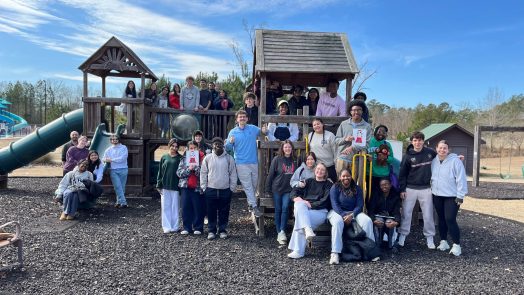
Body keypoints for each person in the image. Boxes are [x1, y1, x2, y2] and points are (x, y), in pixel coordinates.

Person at [287, 163, 342, 264]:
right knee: (299, 205)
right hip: (305, 210)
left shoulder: (328, 185)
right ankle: (307, 230)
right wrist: (296, 198)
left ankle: (298, 251)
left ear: (325, 173)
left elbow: (325, 201)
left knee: (300, 216)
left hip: (320, 212)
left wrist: (309, 204)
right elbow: (294, 192)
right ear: (315, 170)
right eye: (318, 169)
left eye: (322, 170)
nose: (319, 171)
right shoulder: (308, 182)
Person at [398, 131, 437, 249]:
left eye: (420, 140)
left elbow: (442, 155)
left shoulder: (430, 153)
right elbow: (402, 174)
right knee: (406, 213)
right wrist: (402, 189)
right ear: (412, 142)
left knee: (428, 214)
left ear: (423, 141)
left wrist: (455, 157)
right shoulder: (407, 156)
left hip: (426, 188)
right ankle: (403, 235)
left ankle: (430, 238)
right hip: (410, 188)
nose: (417, 142)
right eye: (415, 140)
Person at [225, 110, 267, 217]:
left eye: (244, 117)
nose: (242, 118)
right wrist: (230, 142)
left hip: (253, 161)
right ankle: (253, 206)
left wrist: (264, 130)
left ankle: (249, 204)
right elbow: (227, 148)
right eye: (240, 117)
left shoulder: (252, 128)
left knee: (254, 184)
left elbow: (262, 132)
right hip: (241, 163)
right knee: (248, 186)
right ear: (237, 119)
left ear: (247, 119)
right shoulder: (233, 132)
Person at [330, 168, 375, 264]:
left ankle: (370, 251)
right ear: (340, 177)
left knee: (367, 221)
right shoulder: (335, 187)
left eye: (348, 176)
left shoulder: (357, 188)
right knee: (337, 222)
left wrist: (352, 214)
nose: (346, 178)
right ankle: (335, 253)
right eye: (343, 176)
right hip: (337, 212)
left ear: (351, 177)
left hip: (353, 212)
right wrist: (343, 215)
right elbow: (335, 204)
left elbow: (360, 204)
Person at [431, 140, 468, 256]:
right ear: (436, 148)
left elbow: (461, 178)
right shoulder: (433, 161)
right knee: (441, 218)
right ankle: (443, 241)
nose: (442, 150)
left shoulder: (455, 161)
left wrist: (460, 196)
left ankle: (456, 245)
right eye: (440, 148)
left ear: (448, 150)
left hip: (451, 196)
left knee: (450, 219)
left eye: (445, 148)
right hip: (437, 195)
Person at [200, 137, 237, 240]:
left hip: (225, 190)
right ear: (212, 146)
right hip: (210, 189)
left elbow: (233, 174)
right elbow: (203, 173)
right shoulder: (207, 158)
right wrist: (204, 187)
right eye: (215, 144)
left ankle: (222, 230)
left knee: (224, 211)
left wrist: (232, 188)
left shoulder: (229, 158)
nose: (217, 146)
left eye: (219, 144)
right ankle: (211, 231)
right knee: (210, 211)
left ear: (223, 145)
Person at [265, 140, 296, 244]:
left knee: (285, 207)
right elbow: (270, 175)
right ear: (282, 149)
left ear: (292, 149)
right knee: (278, 209)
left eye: (289, 147)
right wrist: (267, 189)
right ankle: (279, 232)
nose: (287, 149)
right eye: (285, 147)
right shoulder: (277, 159)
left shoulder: (294, 160)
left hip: (288, 189)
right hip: (277, 188)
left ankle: (282, 230)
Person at [334, 100, 372, 175]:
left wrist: (352, 147)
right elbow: (336, 141)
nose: (356, 112)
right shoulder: (344, 124)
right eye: (354, 110)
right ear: (350, 112)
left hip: (357, 160)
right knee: (340, 182)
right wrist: (345, 139)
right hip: (342, 159)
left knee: (353, 183)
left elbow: (367, 144)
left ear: (362, 111)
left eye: (359, 110)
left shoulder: (366, 126)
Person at [177, 140, 205, 235]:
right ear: (187, 149)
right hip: (185, 186)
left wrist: (195, 167)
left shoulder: (202, 159)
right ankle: (187, 227)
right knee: (185, 207)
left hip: (197, 187)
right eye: (191, 148)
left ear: (198, 149)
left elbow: (203, 173)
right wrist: (189, 169)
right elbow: (179, 173)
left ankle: (198, 227)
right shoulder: (184, 159)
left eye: (195, 148)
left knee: (198, 207)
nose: (193, 150)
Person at [156, 139, 183, 234]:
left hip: (176, 186)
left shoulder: (180, 158)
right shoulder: (164, 157)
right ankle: (166, 227)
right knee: (165, 206)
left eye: (176, 146)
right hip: (165, 185)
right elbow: (160, 171)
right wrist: (159, 184)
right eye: (173, 146)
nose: (174, 148)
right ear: (169, 145)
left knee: (175, 207)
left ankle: (175, 227)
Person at [367, 179, 401, 251]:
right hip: (378, 216)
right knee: (379, 222)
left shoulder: (395, 195)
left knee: (390, 223)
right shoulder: (376, 194)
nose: (384, 186)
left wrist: (396, 222)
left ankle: (392, 245)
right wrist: (374, 220)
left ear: (390, 185)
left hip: (390, 217)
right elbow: (371, 210)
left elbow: (397, 211)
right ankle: (377, 244)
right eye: (382, 185)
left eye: (386, 184)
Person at [308, 118, 337, 182]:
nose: (316, 126)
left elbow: (336, 151)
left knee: (331, 186)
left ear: (322, 124)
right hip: (317, 167)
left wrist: (336, 165)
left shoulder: (330, 135)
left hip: (329, 166)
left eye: (318, 124)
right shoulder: (310, 135)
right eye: (314, 125)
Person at [103, 135, 129, 208]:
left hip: (124, 169)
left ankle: (118, 202)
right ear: (111, 141)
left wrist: (111, 159)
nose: (114, 140)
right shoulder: (108, 149)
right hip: (113, 170)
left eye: (116, 139)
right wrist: (107, 159)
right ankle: (124, 203)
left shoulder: (124, 148)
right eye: (112, 139)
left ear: (118, 140)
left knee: (122, 187)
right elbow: (104, 158)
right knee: (117, 186)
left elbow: (123, 158)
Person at [368, 125, 395, 193]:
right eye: (379, 131)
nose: (381, 134)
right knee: (370, 196)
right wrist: (367, 159)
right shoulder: (368, 142)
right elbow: (362, 155)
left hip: (384, 175)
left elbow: (392, 159)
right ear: (375, 132)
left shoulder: (387, 144)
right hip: (370, 174)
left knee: (382, 195)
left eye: (384, 132)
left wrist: (385, 158)